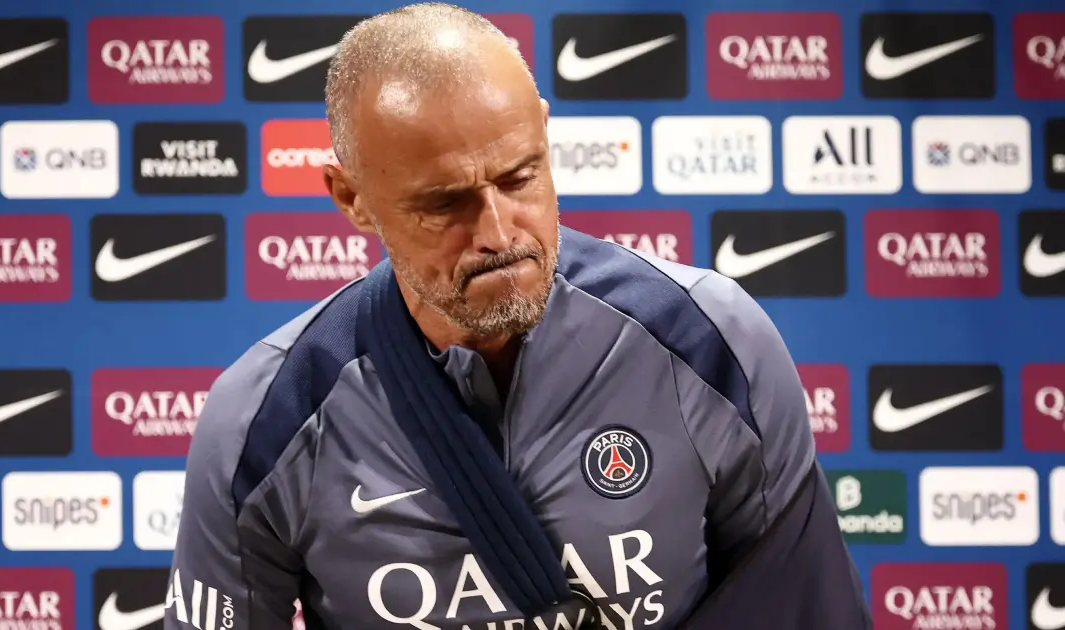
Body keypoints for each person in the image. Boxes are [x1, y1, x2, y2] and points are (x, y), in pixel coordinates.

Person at [165, 3, 870, 629]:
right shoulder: (263, 420)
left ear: (544, 135)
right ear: (350, 198)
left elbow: (804, 610)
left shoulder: (711, 345)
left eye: (519, 177)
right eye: (445, 203)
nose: (499, 233)